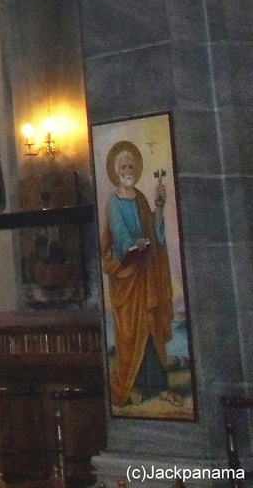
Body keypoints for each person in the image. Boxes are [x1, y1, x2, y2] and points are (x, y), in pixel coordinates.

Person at [101, 141, 178, 408]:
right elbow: (120, 236)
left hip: (146, 275)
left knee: (151, 324)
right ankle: (131, 386)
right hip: (128, 276)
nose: (128, 170)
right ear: (116, 170)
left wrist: (158, 207)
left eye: (131, 166)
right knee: (131, 330)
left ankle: (159, 386)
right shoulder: (114, 203)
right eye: (123, 166)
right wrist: (133, 245)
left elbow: (156, 233)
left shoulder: (142, 198)